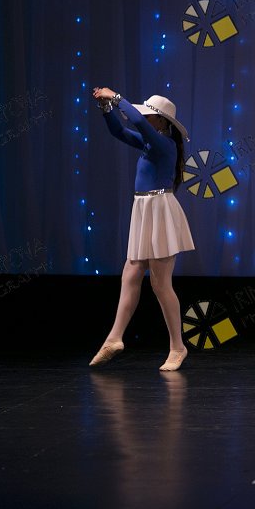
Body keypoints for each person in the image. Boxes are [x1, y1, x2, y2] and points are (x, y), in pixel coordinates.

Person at [88, 88, 195, 371]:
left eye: (149, 116)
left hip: (159, 211)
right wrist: (106, 108)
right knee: (131, 273)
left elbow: (136, 122)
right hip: (144, 208)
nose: (145, 118)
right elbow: (119, 131)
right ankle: (115, 338)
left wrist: (116, 97)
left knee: (160, 284)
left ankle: (178, 347)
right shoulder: (151, 142)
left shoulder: (164, 144)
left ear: (161, 121)